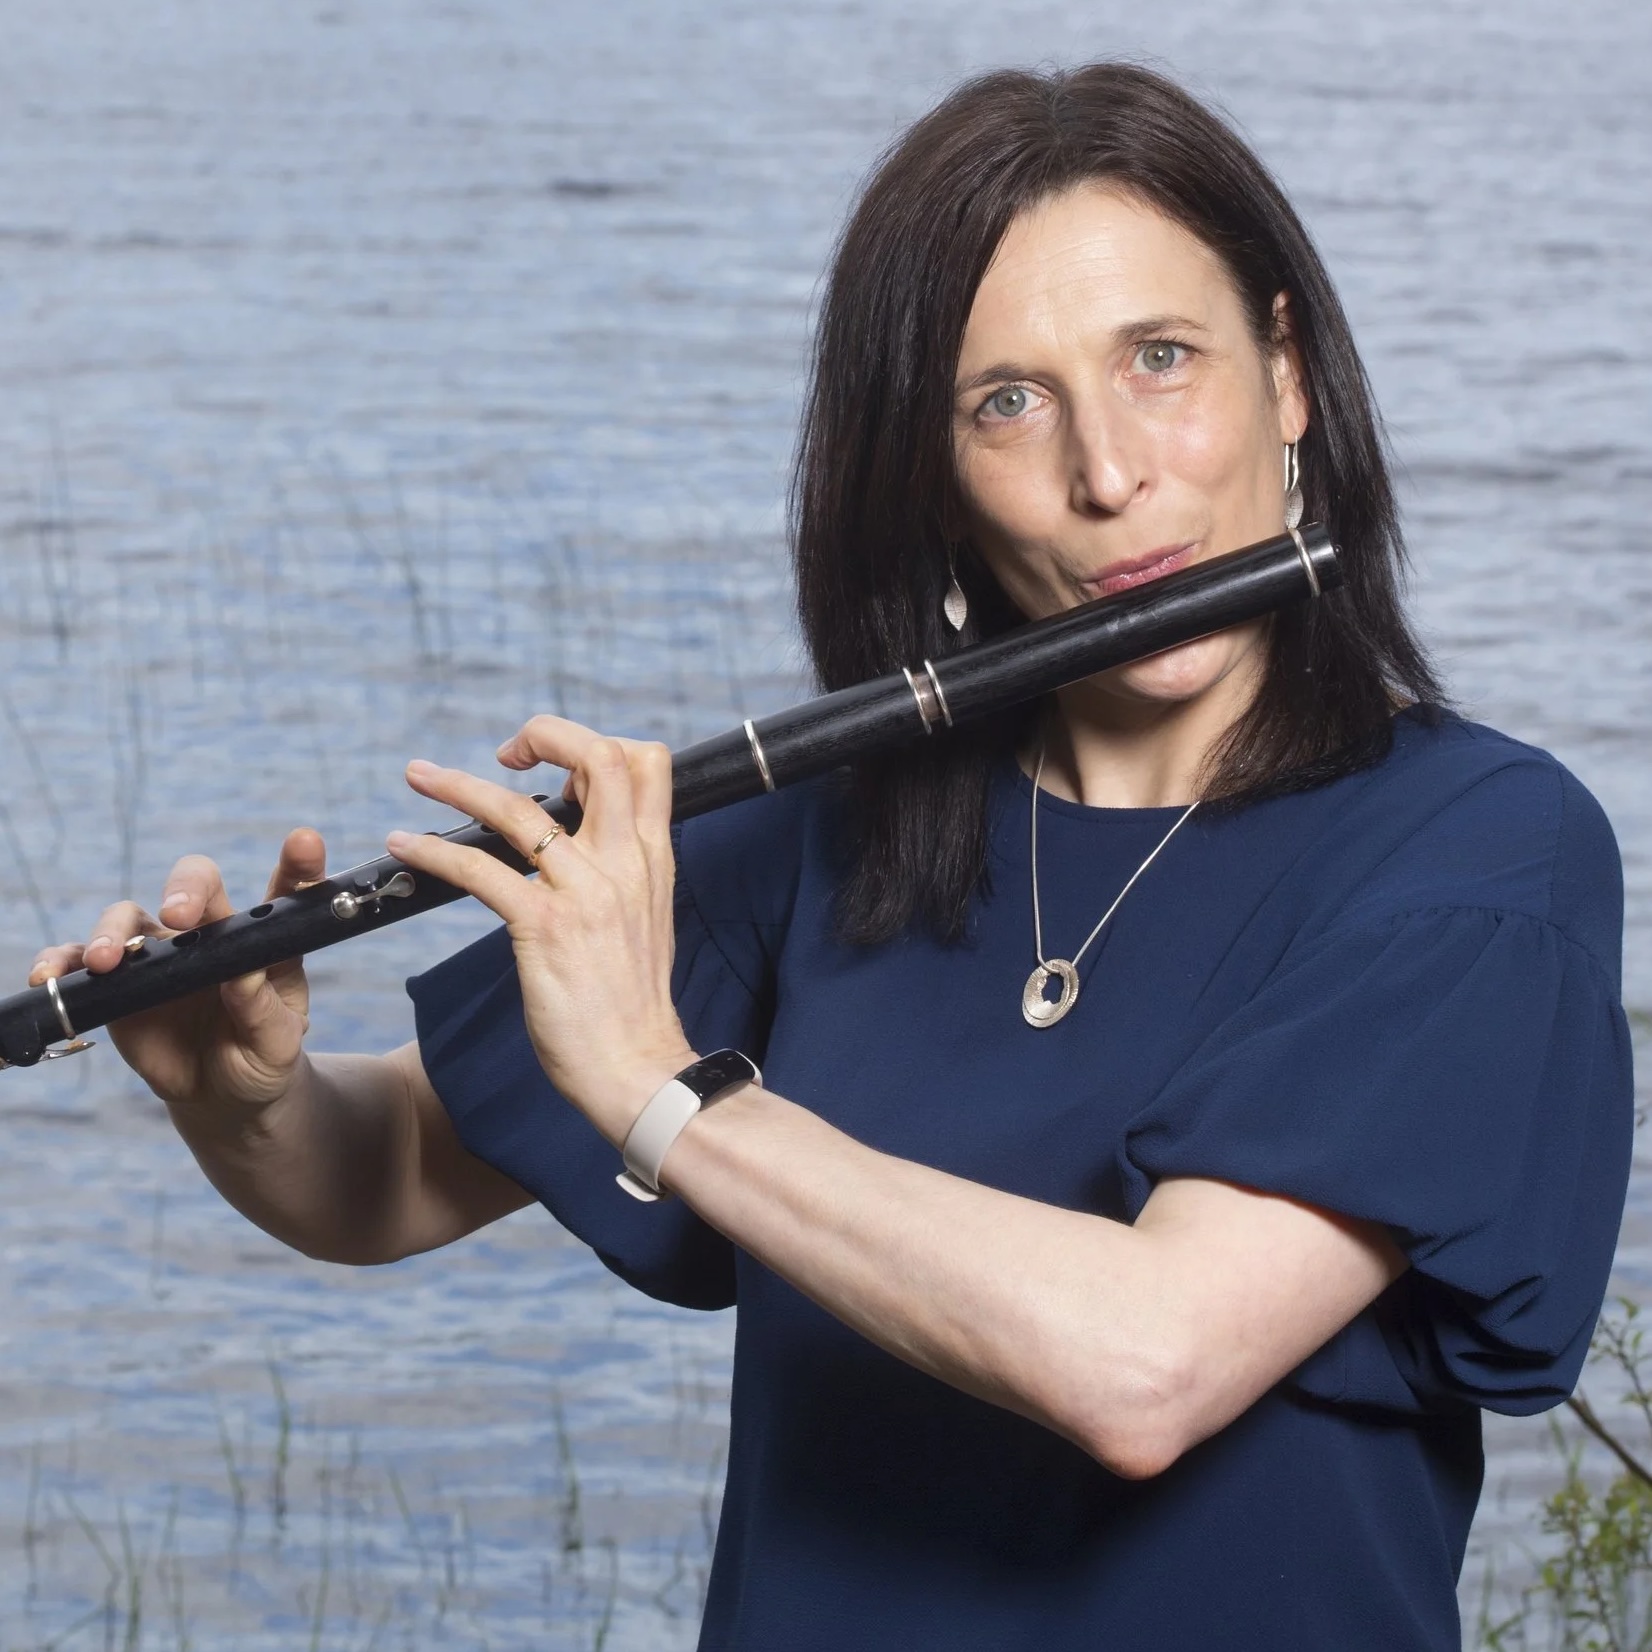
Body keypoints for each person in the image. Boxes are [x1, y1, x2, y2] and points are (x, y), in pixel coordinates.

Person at [33, 62, 1633, 1651]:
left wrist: (668, 1095)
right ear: (929, 476)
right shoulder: (838, 824)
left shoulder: (1479, 854)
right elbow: (379, 1176)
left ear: (1285, 375)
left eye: (1163, 358)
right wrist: (249, 1100)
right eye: (1007, 401)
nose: (1110, 473)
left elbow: (1149, 1363)